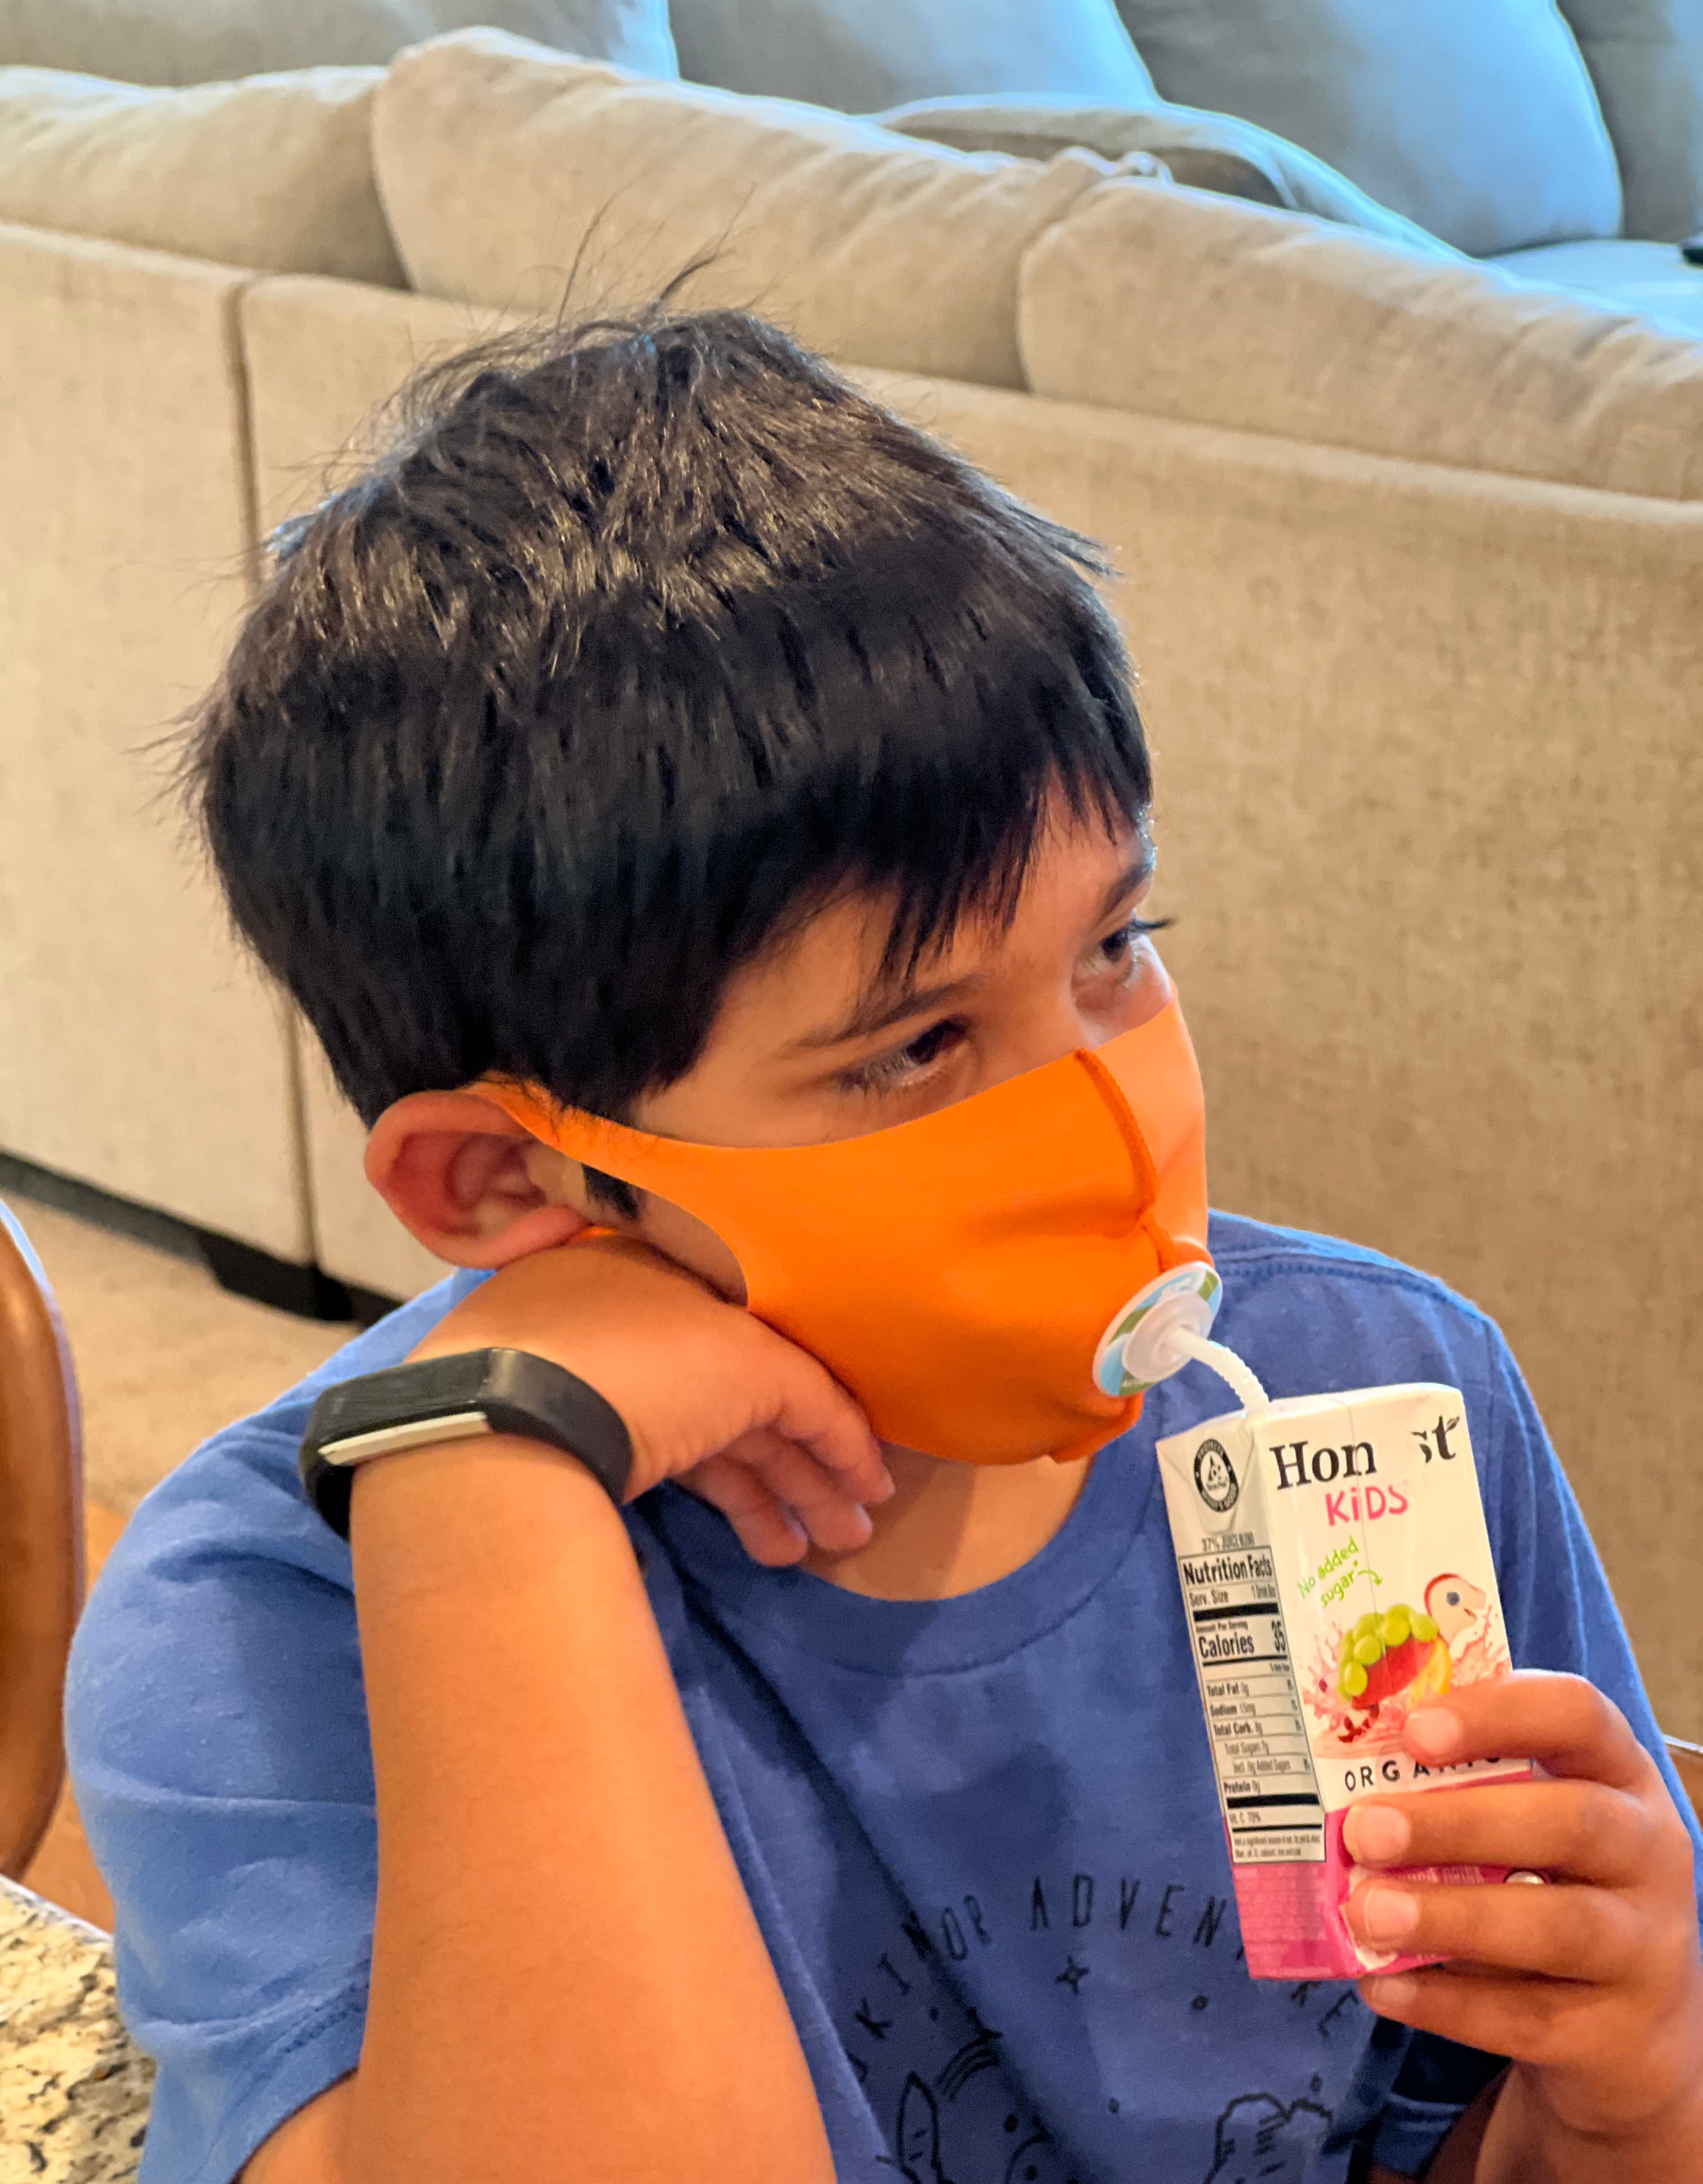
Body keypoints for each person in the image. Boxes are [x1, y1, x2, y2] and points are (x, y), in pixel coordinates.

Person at [65, 310, 1701, 2184]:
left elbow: (1483, 2128)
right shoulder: (272, 1610)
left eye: (1115, 946)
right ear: (510, 1185)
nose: (1104, 1112)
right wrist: (486, 1471)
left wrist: (1633, 2081)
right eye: (915, 1047)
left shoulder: (1381, 1385)